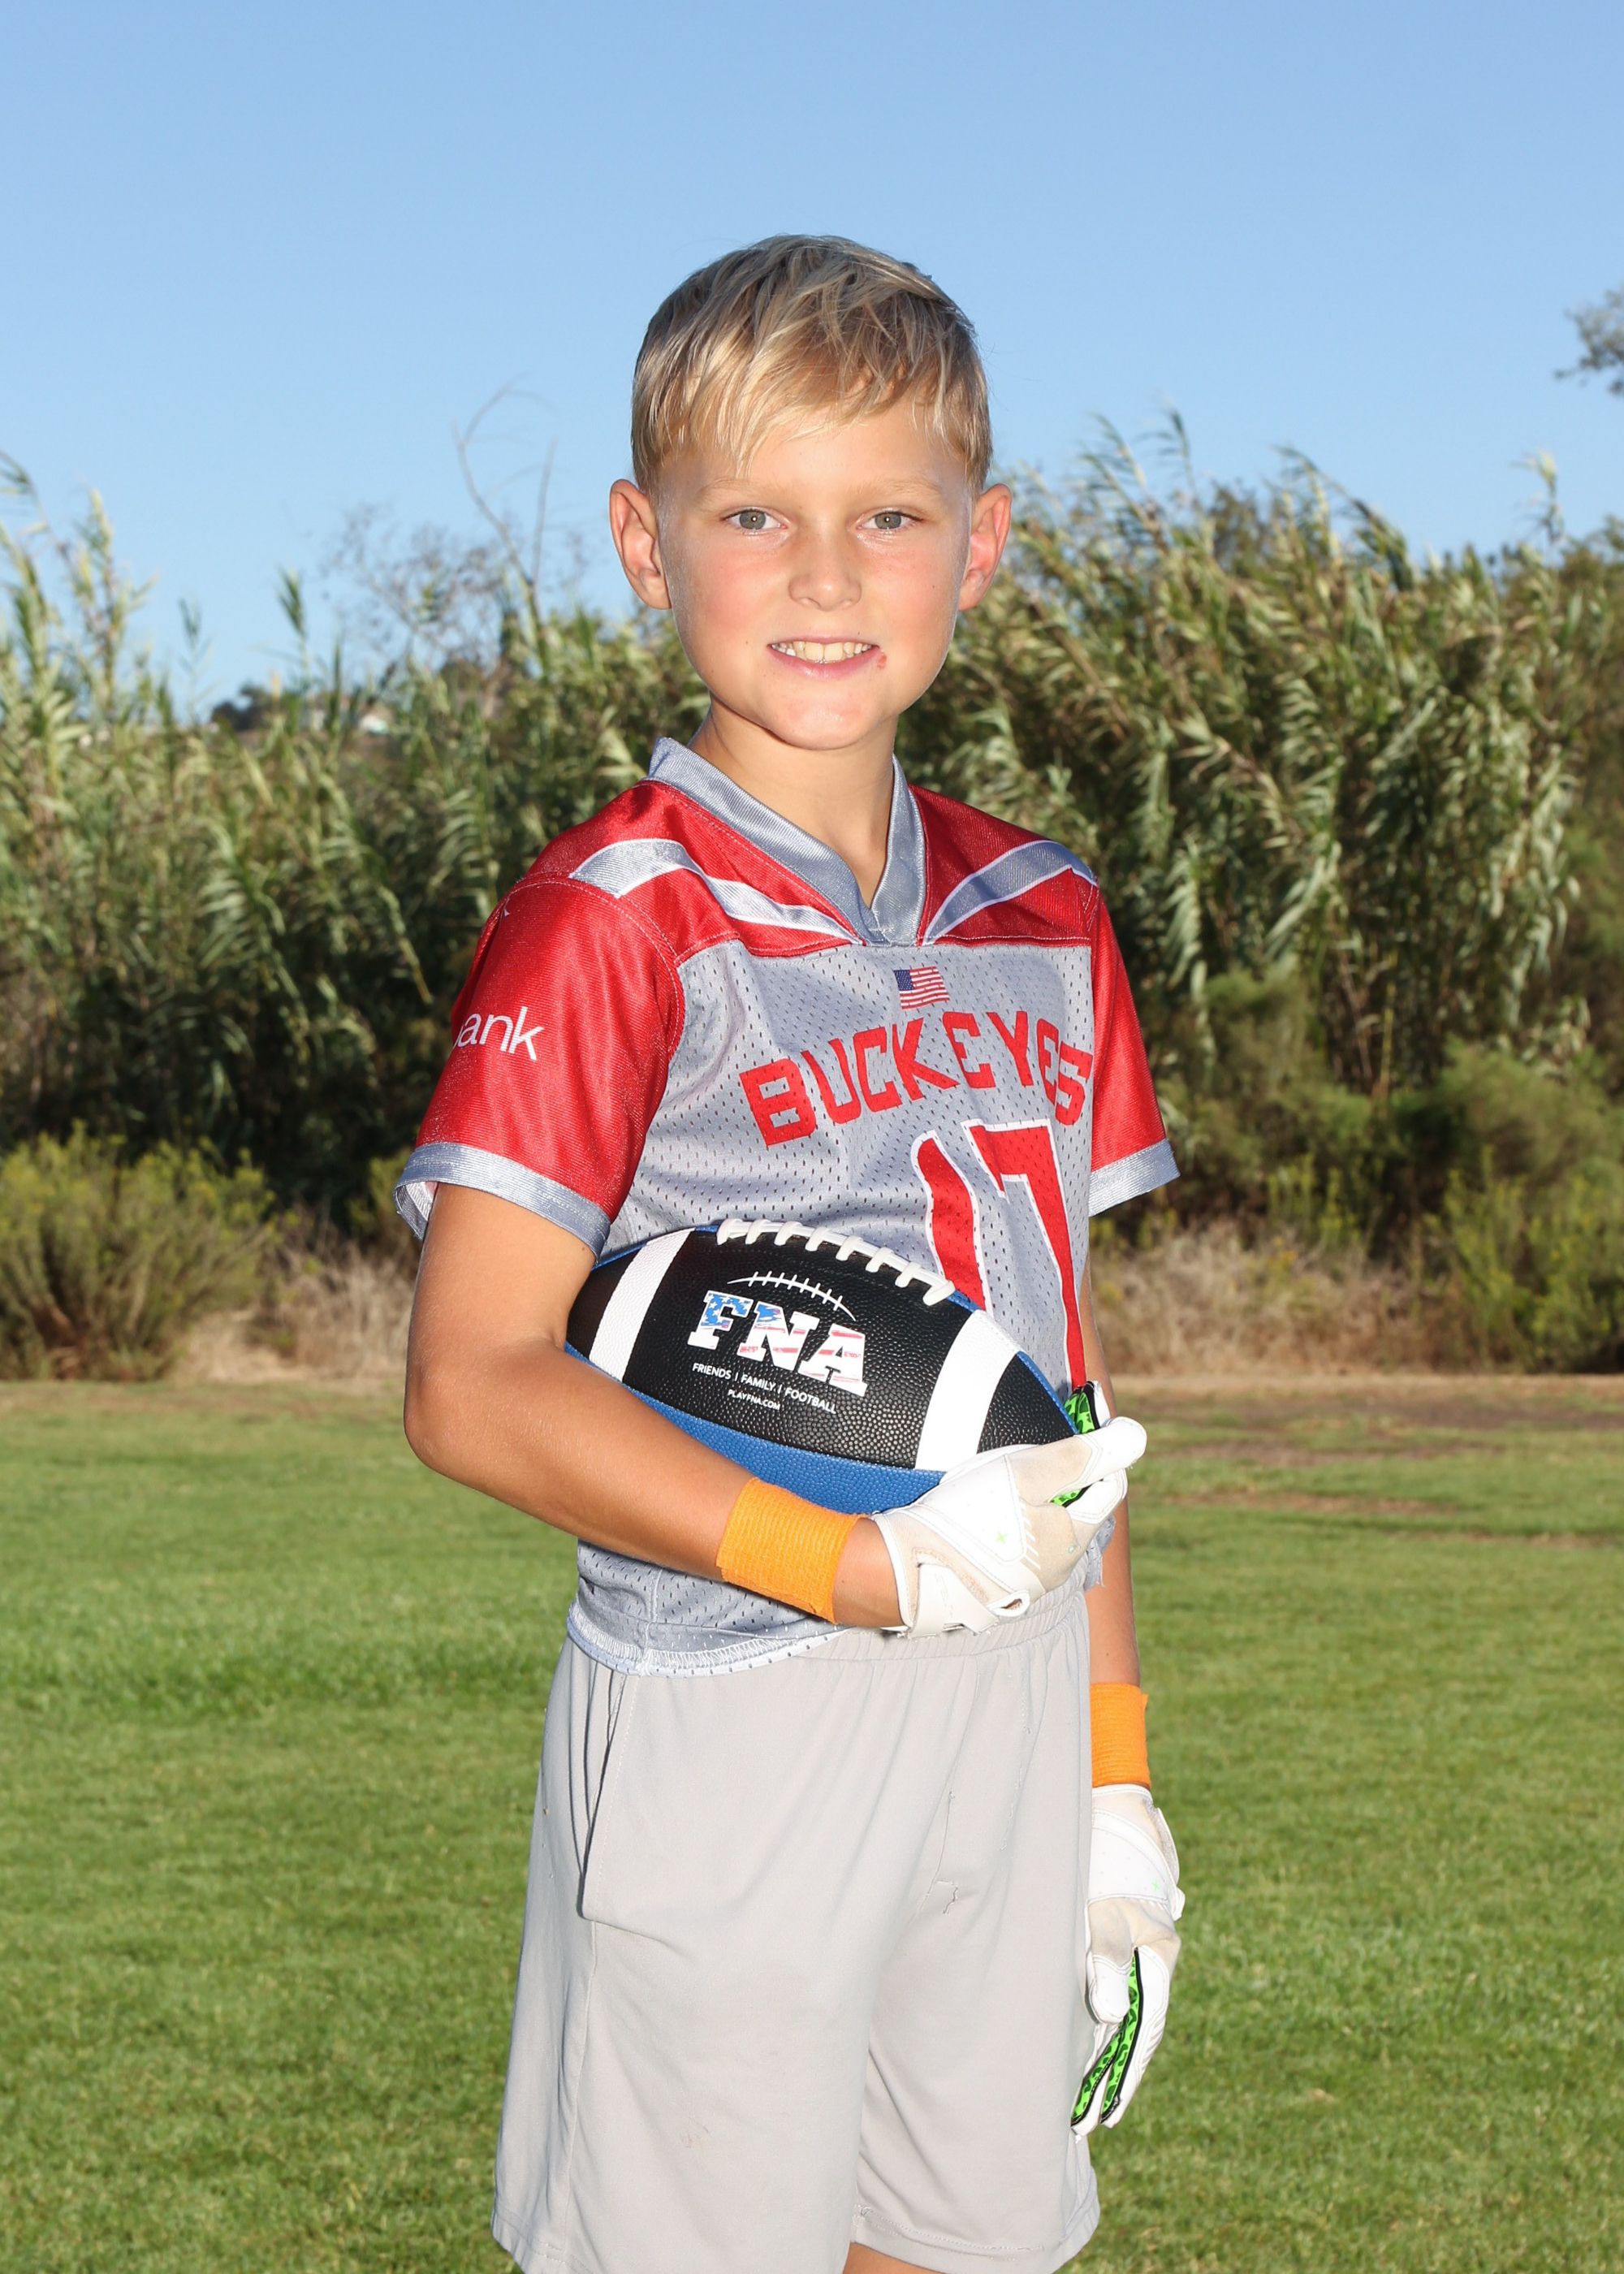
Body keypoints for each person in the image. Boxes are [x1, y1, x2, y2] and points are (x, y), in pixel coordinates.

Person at [397, 235, 1186, 2274]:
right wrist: (846, 1563)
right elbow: (472, 1381)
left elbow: (1063, 1393)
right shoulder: (612, 917)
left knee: (960, 2242)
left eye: (888, 516)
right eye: (755, 514)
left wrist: (1112, 1777)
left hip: (1010, 1683)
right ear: (643, 542)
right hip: (739, 1683)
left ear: (979, 544)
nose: (825, 575)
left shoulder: (1047, 908)